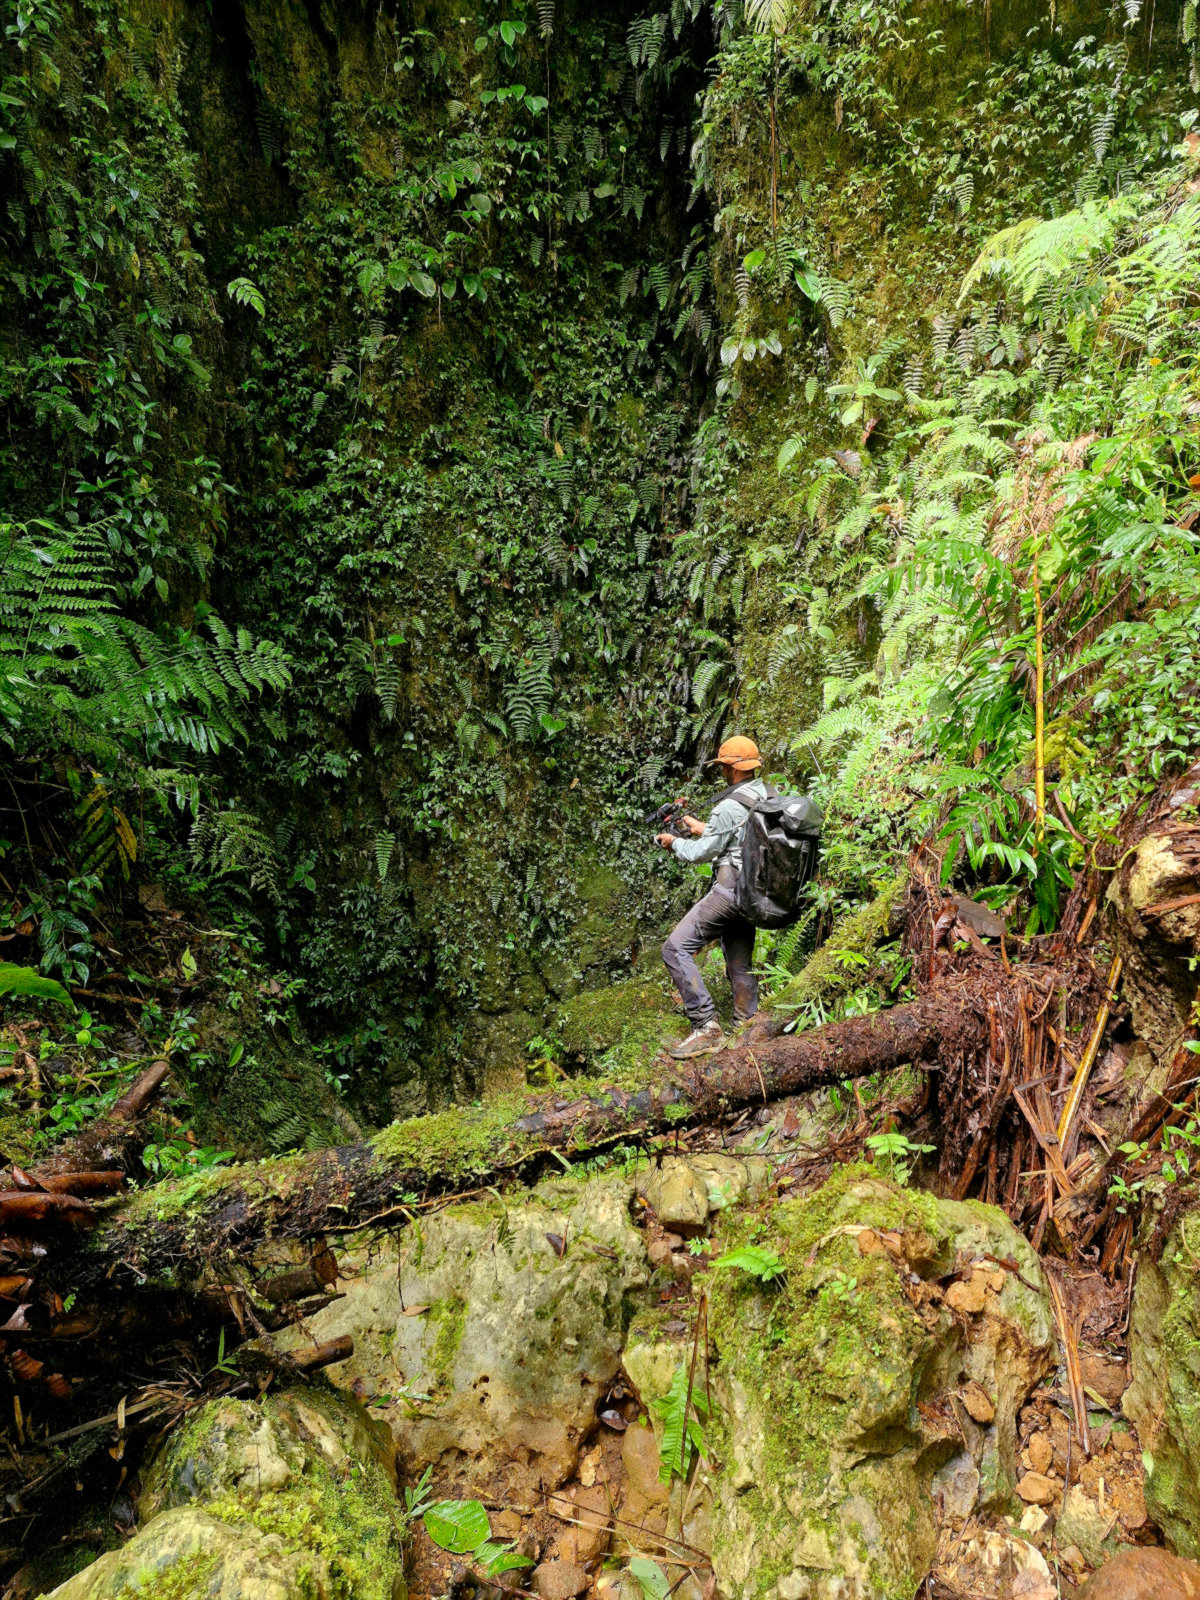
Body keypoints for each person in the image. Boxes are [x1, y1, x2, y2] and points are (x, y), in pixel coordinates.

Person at [656, 736, 768, 1059]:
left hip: (729, 891)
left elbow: (701, 854)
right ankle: (747, 1030)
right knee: (739, 963)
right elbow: (736, 834)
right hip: (752, 895)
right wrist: (702, 827)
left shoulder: (728, 805)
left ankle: (705, 1024)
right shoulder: (765, 794)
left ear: (731, 769)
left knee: (675, 949)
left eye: (723, 768)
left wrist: (673, 843)